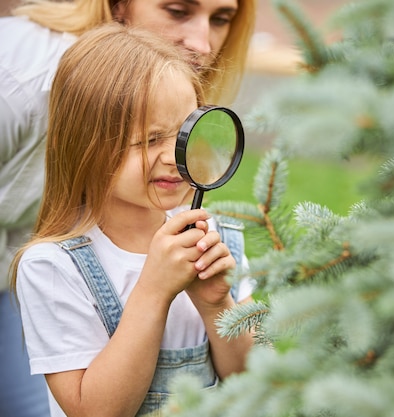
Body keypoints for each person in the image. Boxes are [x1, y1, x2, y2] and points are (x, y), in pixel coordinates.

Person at [0, 1, 256, 415]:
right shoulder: (51, 268)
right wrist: (153, 290)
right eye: (151, 138)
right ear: (87, 144)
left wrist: (216, 305)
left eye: (183, 133)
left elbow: (256, 381)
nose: (174, 156)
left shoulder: (217, 239)